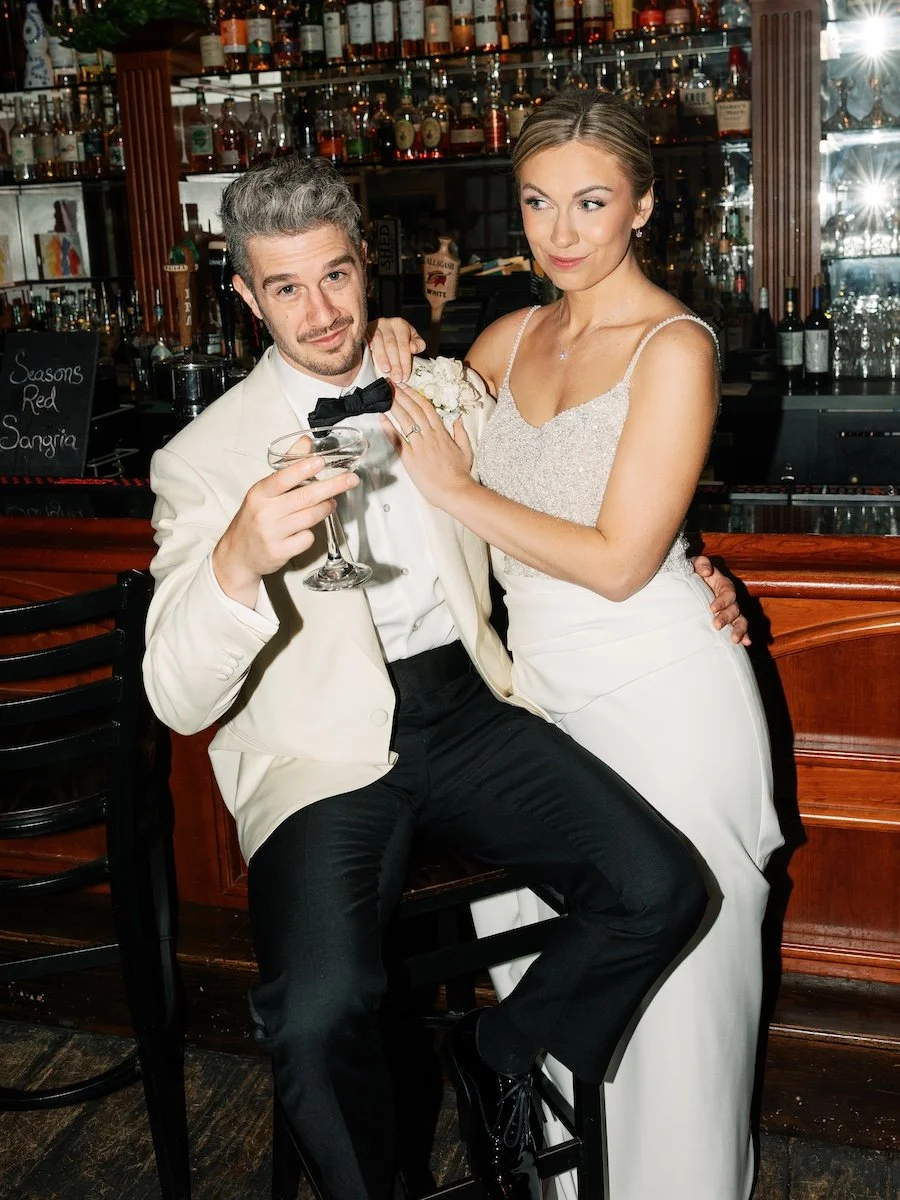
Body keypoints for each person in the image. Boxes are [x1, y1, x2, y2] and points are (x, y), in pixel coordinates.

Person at [141, 155, 746, 1200]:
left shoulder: (438, 387)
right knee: (315, 1015)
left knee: (661, 889)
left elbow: (567, 492)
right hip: (317, 752)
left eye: (336, 276)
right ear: (244, 295)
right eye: (285, 288)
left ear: (364, 263)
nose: (321, 313)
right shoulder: (201, 457)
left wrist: (688, 566)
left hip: (466, 710)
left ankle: (499, 1050)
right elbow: (176, 697)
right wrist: (237, 560)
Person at [383, 90, 783, 1200]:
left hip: (664, 694)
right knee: (548, 972)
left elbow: (617, 562)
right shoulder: (505, 340)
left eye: (592, 202)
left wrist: (461, 490)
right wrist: (391, 343)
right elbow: (405, 466)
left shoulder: (675, 346)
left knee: (679, 1005)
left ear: (643, 206)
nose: (560, 232)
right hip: (533, 704)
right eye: (537, 202)